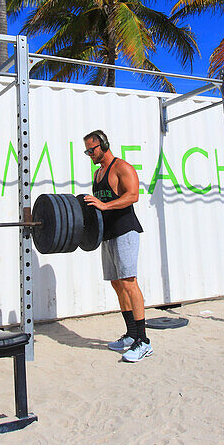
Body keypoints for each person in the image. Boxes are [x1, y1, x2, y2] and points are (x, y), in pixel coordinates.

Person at [80, 129, 151, 362]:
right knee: (116, 283)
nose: (90, 154)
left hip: (125, 231)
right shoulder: (98, 173)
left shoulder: (122, 168)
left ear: (104, 145)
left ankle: (144, 340)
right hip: (107, 234)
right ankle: (131, 334)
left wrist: (104, 206)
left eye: (92, 149)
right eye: (87, 151)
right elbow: (98, 205)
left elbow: (133, 196)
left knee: (129, 282)